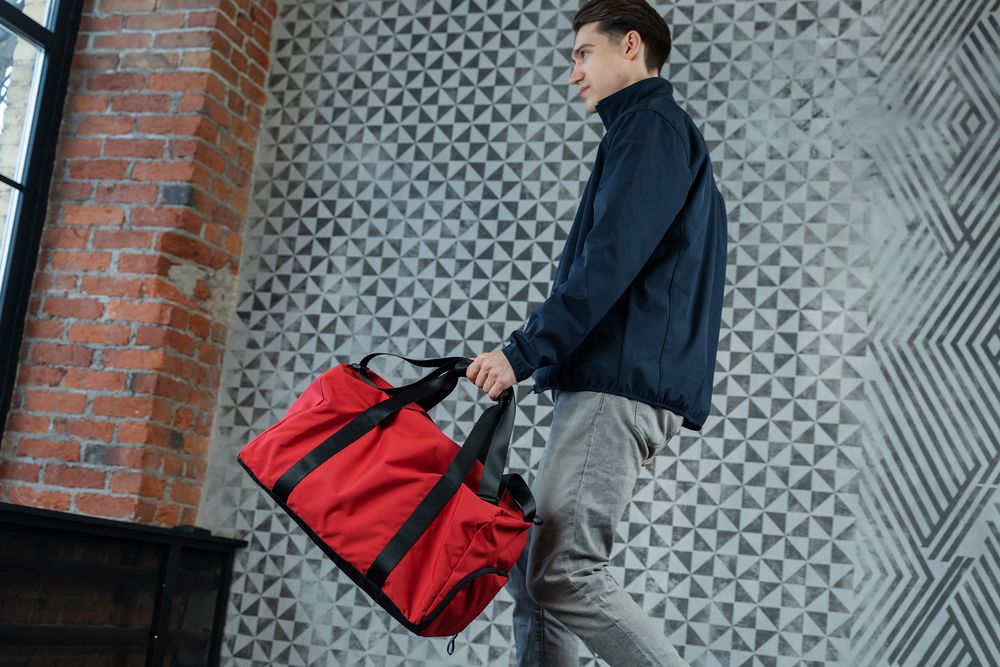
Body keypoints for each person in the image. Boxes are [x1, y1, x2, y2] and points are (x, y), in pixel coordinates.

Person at [465, 0, 727, 664]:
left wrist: (523, 352)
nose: (574, 72)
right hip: (617, 385)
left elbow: (609, 260)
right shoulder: (648, 133)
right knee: (537, 575)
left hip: (615, 386)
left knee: (565, 573)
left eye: (584, 53)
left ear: (630, 45)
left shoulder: (651, 129)